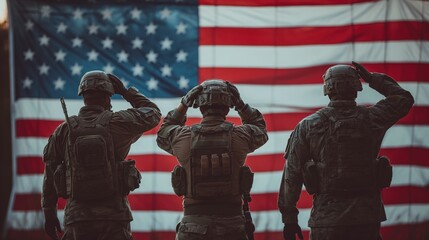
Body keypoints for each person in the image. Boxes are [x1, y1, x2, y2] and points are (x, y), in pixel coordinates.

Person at [277, 62, 414, 240]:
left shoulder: (308, 125)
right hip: (366, 217)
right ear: (356, 87)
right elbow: (403, 99)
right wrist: (373, 79)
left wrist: (289, 219)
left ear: (327, 88)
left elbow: (292, 174)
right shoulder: (373, 119)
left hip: (327, 217)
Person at [42, 71, 161, 240]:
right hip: (114, 216)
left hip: (78, 217)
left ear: (83, 96)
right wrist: (127, 92)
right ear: (108, 97)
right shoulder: (118, 122)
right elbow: (154, 113)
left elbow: (50, 172)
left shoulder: (64, 130)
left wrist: (49, 212)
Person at [157, 80, 268, 240]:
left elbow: (163, 134)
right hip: (232, 226)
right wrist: (241, 105)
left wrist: (183, 105)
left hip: (193, 226)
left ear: (200, 107)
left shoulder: (183, 137)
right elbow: (260, 128)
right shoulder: (240, 136)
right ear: (228, 106)